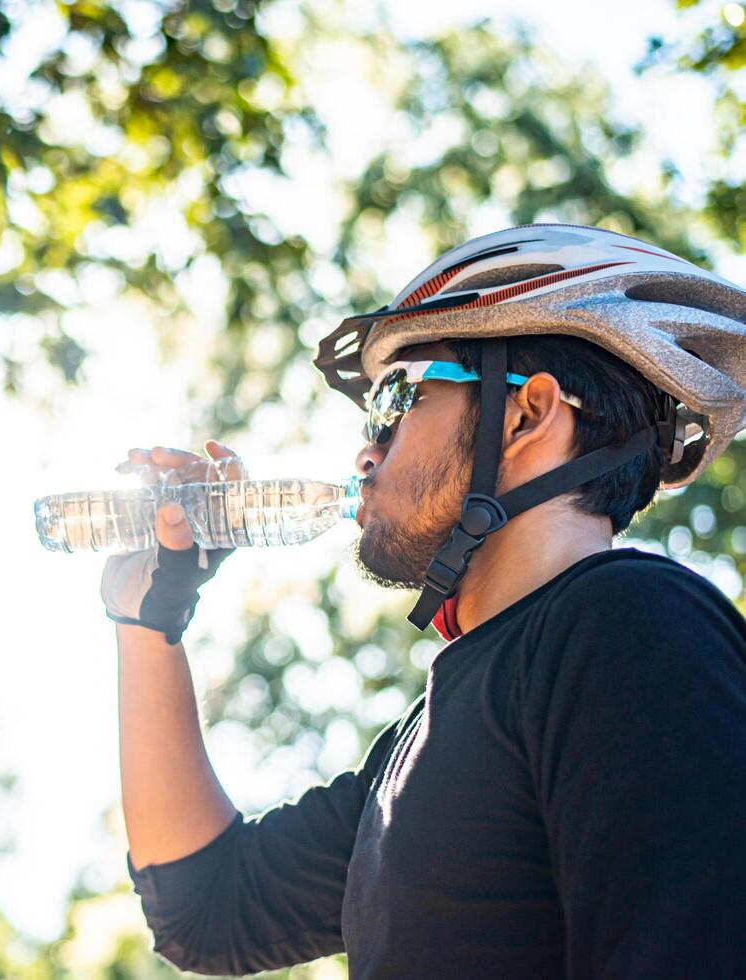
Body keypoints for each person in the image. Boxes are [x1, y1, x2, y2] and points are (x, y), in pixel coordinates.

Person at [101, 223, 746, 978]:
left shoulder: (629, 624)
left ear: (526, 415)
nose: (365, 450)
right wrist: (145, 620)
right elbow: (205, 910)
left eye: (396, 399)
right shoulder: (424, 734)